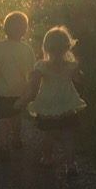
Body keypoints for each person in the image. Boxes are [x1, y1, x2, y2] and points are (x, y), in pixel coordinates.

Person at [16, 25, 86, 174]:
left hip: (48, 103)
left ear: (46, 47)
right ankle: (71, 165)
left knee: (49, 134)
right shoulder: (71, 66)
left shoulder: (41, 65)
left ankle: (47, 158)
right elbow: (79, 81)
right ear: (68, 46)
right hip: (67, 102)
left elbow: (33, 86)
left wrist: (24, 99)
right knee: (68, 136)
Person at [0, 11, 36, 161]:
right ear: (24, 30)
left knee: (3, 119)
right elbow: (33, 72)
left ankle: (3, 145)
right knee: (16, 117)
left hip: (2, 91)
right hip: (20, 91)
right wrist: (32, 88)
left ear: (5, 28)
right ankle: (16, 138)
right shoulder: (27, 50)